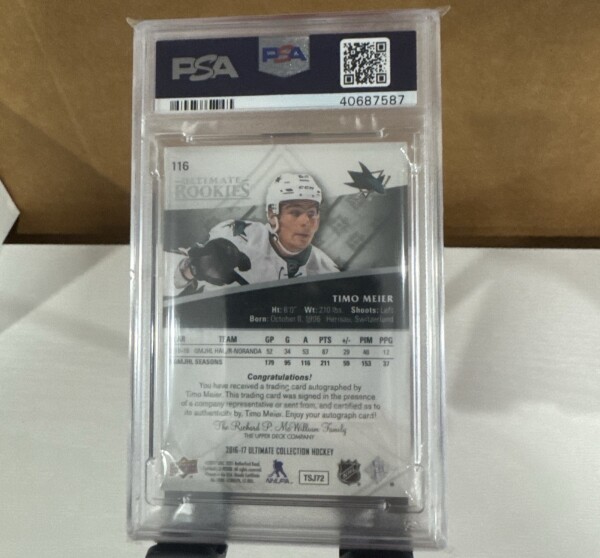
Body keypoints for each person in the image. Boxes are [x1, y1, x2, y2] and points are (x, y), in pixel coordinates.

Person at [173, 173, 339, 293]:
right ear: (272, 215)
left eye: (312, 213)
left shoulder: (328, 272)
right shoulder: (234, 235)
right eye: (295, 212)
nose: (306, 221)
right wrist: (195, 268)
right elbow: (171, 282)